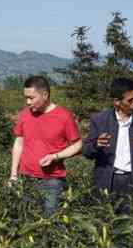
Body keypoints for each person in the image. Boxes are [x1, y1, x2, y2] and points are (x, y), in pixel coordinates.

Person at [82, 77, 133, 213]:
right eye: (130, 100)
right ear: (117, 102)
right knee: (104, 222)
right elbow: (86, 151)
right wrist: (96, 145)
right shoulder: (100, 120)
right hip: (106, 180)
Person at [9, 75, 82, 217]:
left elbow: (78, 144)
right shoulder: (24, 115)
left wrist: (56, 156)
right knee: (26, 217)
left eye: (31, 98)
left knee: (50, 219)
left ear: (45, 95)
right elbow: (19, 142)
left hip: (52, 180)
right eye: (26, 98)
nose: (28, 102)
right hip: (26, 177)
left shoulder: (64, 116)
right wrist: (13, 174)